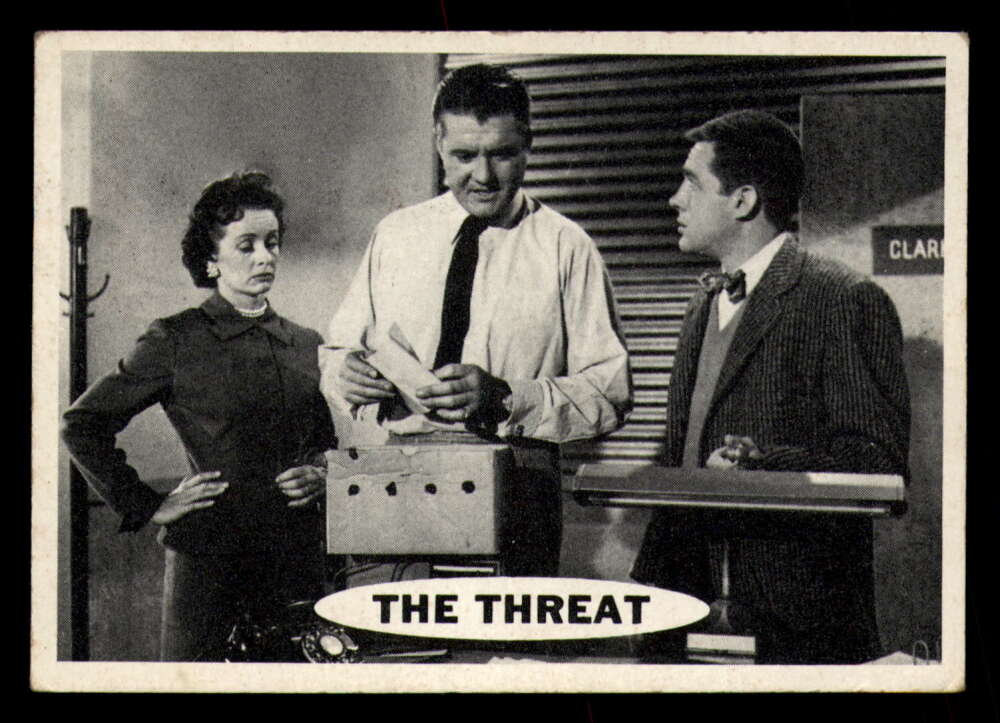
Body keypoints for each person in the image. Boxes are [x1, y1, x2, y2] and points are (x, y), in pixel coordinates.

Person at [320, 64, 632, 576]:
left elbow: (611, 393)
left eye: (502, 154)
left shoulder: (567, 247)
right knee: (402, 626)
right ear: (439, 144)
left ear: (528, 145)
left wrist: (506, 397)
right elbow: (338, 353)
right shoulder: (395, 236)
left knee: (501, 629)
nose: (483, 177)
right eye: (465, 156)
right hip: (401, 480)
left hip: (519, 488)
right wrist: (345, 374)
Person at [631, 110, 911, 664]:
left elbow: (879, 464)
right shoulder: (702, 303)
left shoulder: (842, 299)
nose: (674, 200)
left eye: (691, 183)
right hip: (684, 602)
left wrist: (762, 465)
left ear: (743, 201)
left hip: (792, 618)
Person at [62, 173, 337, 661]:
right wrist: (147, 504)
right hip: (209, 562)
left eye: (272, 243)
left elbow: (323, 441)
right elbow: (82, 425)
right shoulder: (175, 339)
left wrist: (320, 472)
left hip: (295, 558)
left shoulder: (306, 343)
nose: (265, 257)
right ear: (211, 261)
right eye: (246, 245)